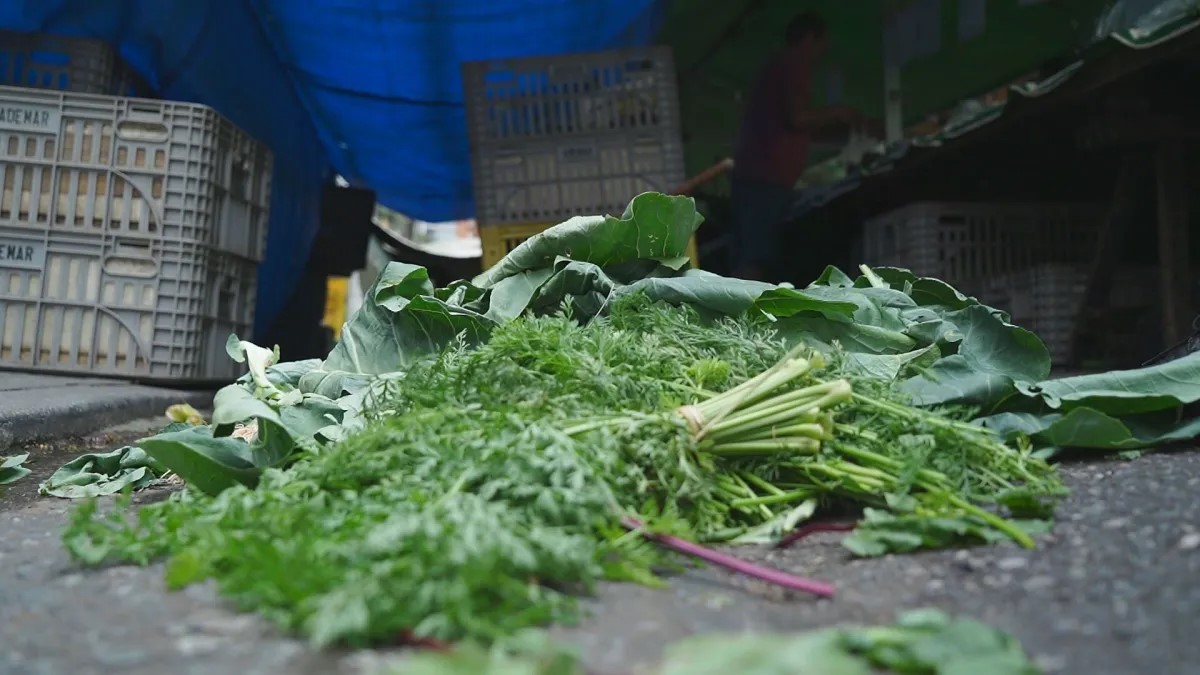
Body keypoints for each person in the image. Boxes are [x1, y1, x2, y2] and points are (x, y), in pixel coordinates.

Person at [728, 11, 865, 281]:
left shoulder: (777, 68)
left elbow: (793, 128)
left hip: (760, 176)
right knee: (755, 258)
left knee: (755, 254)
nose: (823, 52)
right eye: (822, 43)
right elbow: (798, 118)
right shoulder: (792, 64)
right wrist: (839, 113)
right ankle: (741, 318)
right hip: (763, 178)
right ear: (810, 39)